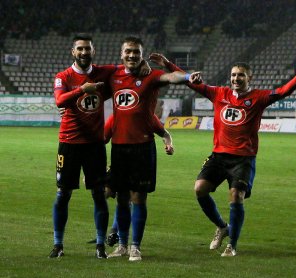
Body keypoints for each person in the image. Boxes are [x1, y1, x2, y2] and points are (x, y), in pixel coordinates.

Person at [152, 54, 296, 256]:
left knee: (236, 197)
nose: (236, 79)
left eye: (241, 75)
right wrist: (167, 64)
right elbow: (191, 83)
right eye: (233, 75)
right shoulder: (219, 93)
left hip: (243, 158)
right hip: (219, 155)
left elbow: (284, 91)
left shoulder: (259, 97)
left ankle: (232, 245)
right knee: (199, 189)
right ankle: (222, 227)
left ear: (250, 78)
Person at [50, 34, 149, 259]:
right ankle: (58, 243)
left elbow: (126, 64)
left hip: (95, 145)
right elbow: (59, 100)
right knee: (63, 194)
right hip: (69, 143)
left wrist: (143, 63)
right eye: (80, 49)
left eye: (88, 49)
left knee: (98, 194)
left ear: (93, 51)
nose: (84, 52)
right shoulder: (63, 76)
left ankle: (100, 246)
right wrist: (83, 89)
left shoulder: (104, 72)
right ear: (73, 52)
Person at [107, 37, 201, 261]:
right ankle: (120, 245)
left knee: (139, 198)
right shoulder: (112, 74)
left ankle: (135, 246)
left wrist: (187, 76)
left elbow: (171, 76)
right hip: (119, 146)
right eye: (128, 52)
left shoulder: (150, 76)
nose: (132, 56)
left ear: (141, 55)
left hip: (142, 148)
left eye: (136, 53)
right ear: (121, 54)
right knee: (121, 198)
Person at [103, 113, 174, 248]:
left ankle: (131, 244)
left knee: (135, 197)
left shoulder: (148, 116)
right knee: (111, 195)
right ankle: (115, 238)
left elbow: (165, 134)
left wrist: (169, 145)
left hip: (142, 160)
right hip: (120, 160)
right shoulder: (115, 117)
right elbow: (102, 140)